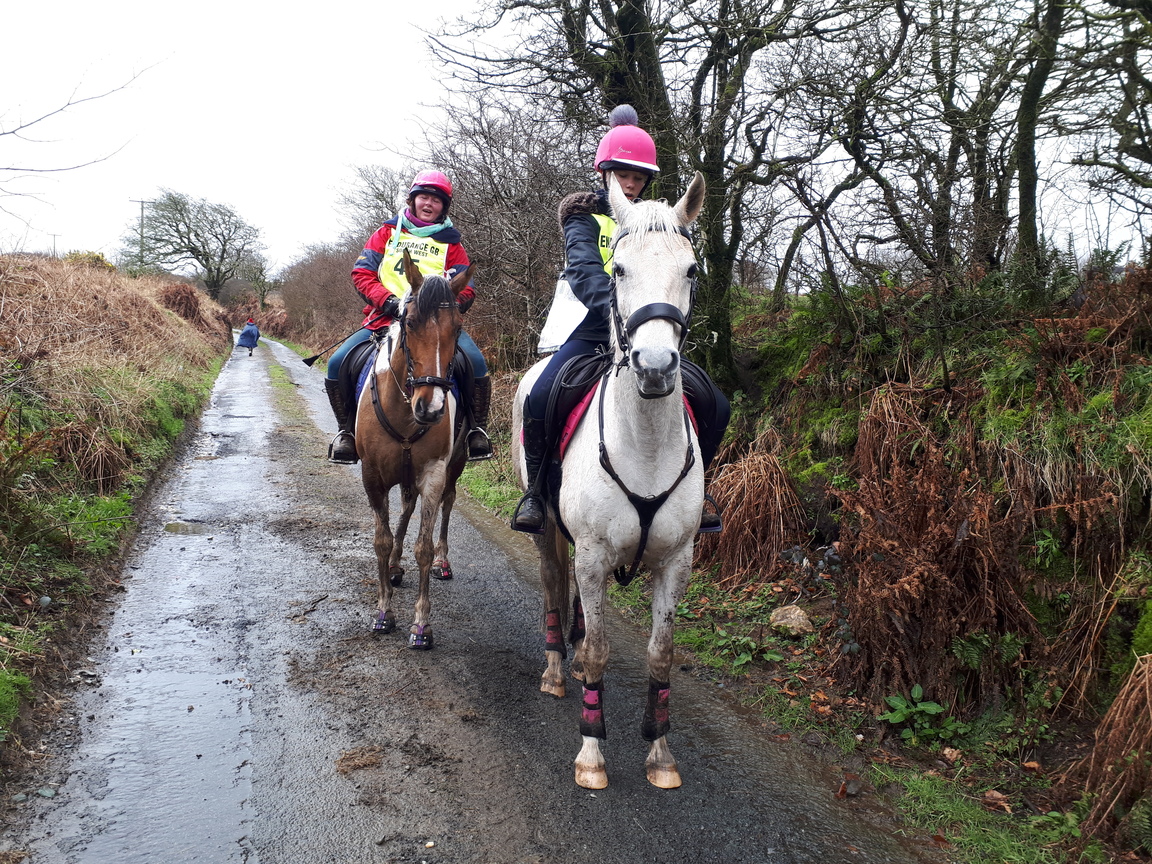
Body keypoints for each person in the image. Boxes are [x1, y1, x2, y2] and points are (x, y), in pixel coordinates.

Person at [512, 105, 731, 534]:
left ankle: (698, 491)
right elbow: (583, 271)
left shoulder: (662, 221)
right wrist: (615, 311)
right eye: (621, 174)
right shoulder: (582, 215)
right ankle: (535, 492)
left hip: (647, 333)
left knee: (716, 405)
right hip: (593, 329)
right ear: (605, 173)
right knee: (539, 397)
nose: (630, 183)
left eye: (637, 176)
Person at [323, 170, 492, 465]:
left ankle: (475, 431)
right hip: (385, 319)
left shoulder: (453, 243)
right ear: (412, 200)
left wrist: (443, 309)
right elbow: (362, 273)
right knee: (337, 363)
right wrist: (388, 302)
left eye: (436, 200)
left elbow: (467, 289)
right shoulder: (387, 233)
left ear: (444, 207)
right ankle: (346, 432)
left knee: (476, 364)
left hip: (434, 326)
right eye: (423, 197)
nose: (429, 204)